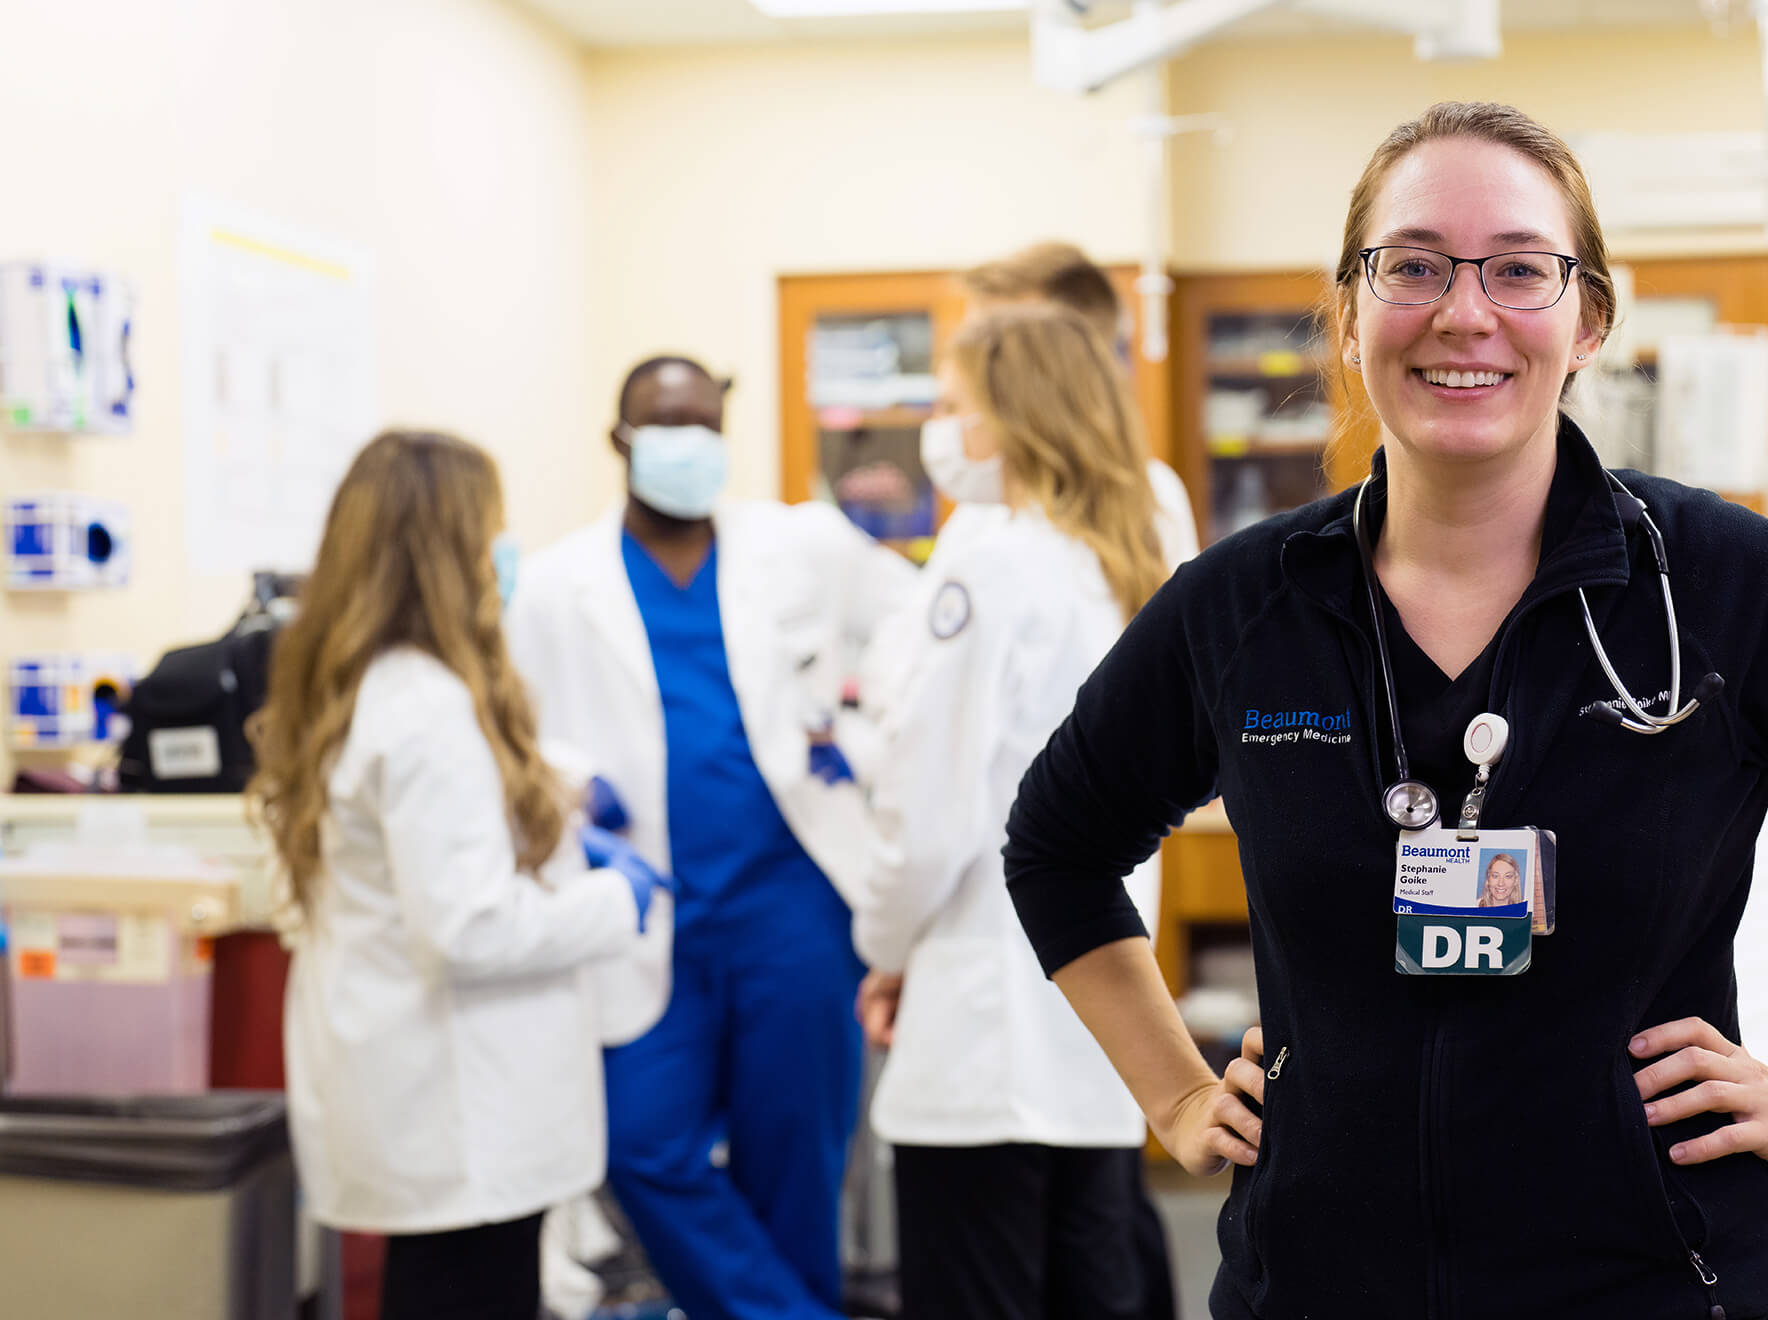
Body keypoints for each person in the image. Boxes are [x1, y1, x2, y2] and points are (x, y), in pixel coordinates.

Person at [1002, 101, 1768, 1320]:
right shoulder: (1245, 608)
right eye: (1412, 265)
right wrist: (1172, 1095)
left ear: (1588, 321)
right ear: (1349, 312)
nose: (1463, 312)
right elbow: (1055, 845)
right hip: (1315, 1288)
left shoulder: (1722, 587)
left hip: (1648, 1289)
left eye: (1519, 270)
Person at [504, 356, 915, 1320]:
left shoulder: (800, 544)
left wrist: (858, 736)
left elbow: (921, 630)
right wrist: (568, 781)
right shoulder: (557, 586)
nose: (688, 444)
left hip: (792, 905)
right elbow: (513, 729)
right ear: (620, 440)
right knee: (638, 1143)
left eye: (704, 425)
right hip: (643, 907)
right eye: (665, 425)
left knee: (796, 1157)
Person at [249, 430, 669, 1320]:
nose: (503, 553)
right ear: (443, 551)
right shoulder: (426, 709)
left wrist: (555, 810)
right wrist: (613, 901)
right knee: (467, 1290)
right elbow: (470, 928)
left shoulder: (368, 685)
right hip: (465, 1109)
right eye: (491, 531)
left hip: (426, 1093)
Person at [849, 304, 1170, 1320]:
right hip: (1094, 1020)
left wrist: (882, 947)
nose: (939, 430)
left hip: (984, 1024)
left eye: (955, 405)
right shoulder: (1122, 567)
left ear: (1017, 415)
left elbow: (929, 816)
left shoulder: (990, 569)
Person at [962, 241, 1200, 565]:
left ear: (1082, 358)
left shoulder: (1150, 503)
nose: (972, 376)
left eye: (999, 354)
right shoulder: (987, 498)